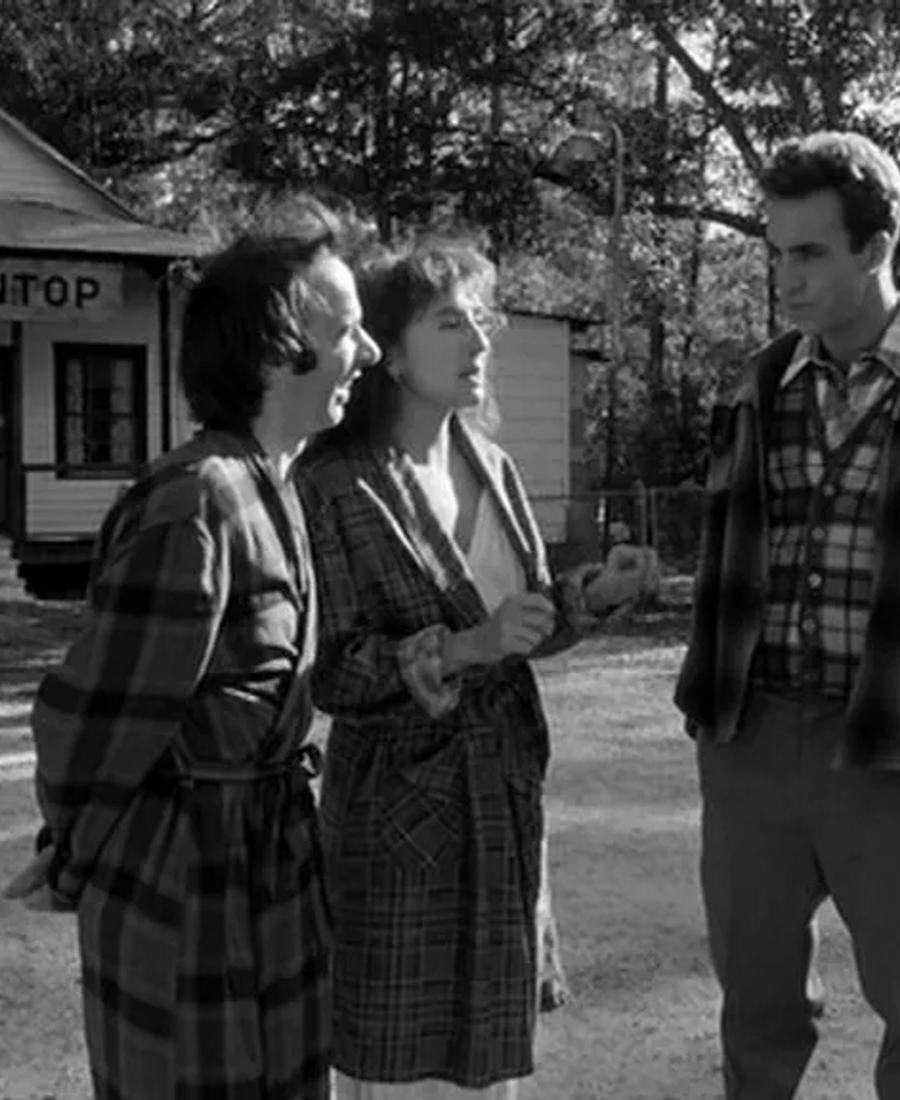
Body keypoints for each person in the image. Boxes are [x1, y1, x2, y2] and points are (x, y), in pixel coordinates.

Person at [676, 131, 900, 1100]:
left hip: (897, 753)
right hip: (749, 742)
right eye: (775, 251)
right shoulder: (753, 385)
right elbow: (728, 563)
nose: (784, 278)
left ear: (876, 247)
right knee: (754, 1021)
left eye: (809, 253)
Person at [3, 198, 381, 1100]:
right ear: (275, 346)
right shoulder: (197, 502)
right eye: (349, 332)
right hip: (185, 884)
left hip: (271, 866)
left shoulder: (279, 487)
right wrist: (72, 854)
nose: (366, 355)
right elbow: (93, 717)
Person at [294, 238, 659, 1099]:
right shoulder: (334, 484)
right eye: (450, 321)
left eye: (482, 321)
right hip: (397, 822)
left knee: (489, 1076)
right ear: (387, 347)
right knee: (397, 1071)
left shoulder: (491, 468)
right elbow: (333, 676)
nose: (480, 342)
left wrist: (594, 596)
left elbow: (518, 628)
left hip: (501, 800)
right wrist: (461, 649)